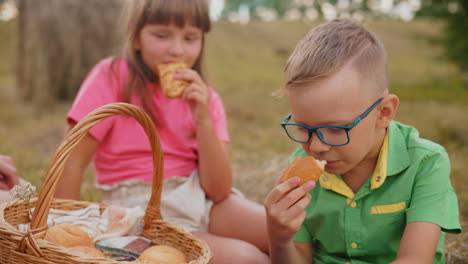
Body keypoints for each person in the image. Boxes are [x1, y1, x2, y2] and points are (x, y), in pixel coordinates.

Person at [54, 0, 268, 263]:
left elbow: (219, 190)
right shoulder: (113, 76)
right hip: (143, 207)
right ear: (136, 38)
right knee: (249, 259)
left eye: (190, 38)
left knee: (288, 233)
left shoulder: (205, 97)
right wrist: (61, 230)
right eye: (161, 35)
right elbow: (71, 159)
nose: (176, 50)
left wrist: (203, 118)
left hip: (200, 196)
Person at [264, 19, 461, 264]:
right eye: (303, 128)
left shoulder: (426, 163)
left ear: (385, 112)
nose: (316, 147)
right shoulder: (301, 169)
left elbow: (415, 259)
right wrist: (280, 238)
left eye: (336, 129)